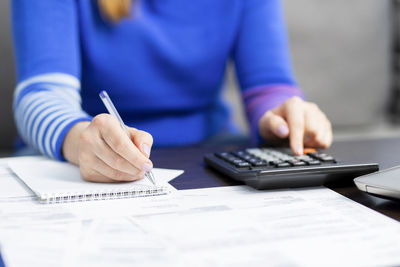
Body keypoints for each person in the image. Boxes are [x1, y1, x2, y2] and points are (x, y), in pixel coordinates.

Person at [11, 0, 332, 183]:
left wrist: (280, 117)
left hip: (210, 158)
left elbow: (267, 85)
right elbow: (42, 94)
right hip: (82, 162)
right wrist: (79, 139)